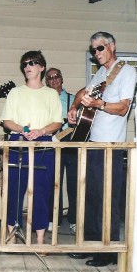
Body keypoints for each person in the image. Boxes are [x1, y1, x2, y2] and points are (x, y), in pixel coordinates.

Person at [67, 31, 137, 266]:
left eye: (100, 48)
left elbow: (123, 108)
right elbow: (81, 93)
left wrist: (99, 103)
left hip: (111, 146)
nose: (96, 53)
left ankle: (109, 251)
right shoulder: (100, 74)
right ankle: (91, 245)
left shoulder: (126, 72)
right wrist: (74, 107)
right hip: (92, 143)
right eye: (93, 50)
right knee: (91, 197)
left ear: (112, 46)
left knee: (108, 198)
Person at [0, 50, 62, 245]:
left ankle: (41, 238)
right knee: (14, 189)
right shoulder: (15, 93)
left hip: (44, 144)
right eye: (25, 63)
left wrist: (41, 131)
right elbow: (7, 120)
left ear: (41, 67)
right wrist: (22, 129)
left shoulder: (51, 94)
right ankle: (12, 236)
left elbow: (57, 122)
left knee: (42, 191)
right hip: (19, 143)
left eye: (33, 63)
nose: (28, 66)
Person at [45, 68, 77, 235]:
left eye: (57, 76)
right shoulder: (43, 99)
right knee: (52, 182)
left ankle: (74, 220)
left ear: (61, 78)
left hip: (70, 140)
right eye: (50, 78)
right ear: (46, 82)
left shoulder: (73, 100)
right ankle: (52, 219)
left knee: (74, 182)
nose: (54, 79)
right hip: (51, 142)